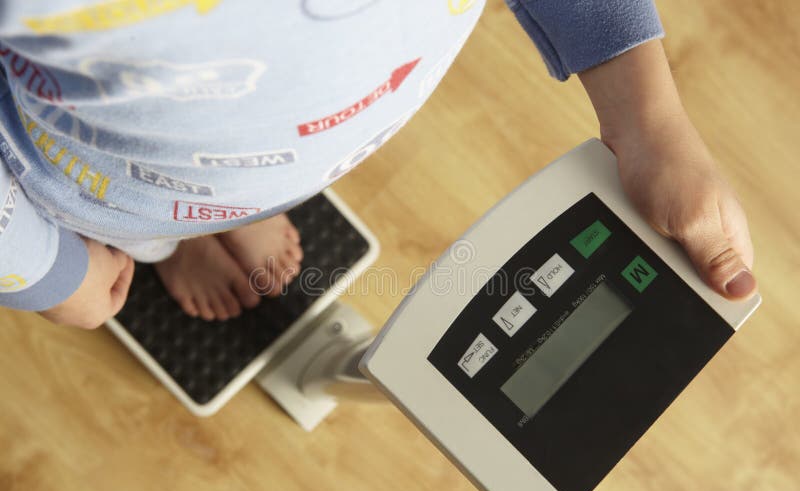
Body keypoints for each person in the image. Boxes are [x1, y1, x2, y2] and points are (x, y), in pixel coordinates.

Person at [0, 0, 757, 329]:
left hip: (311, 135)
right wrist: (42, 274)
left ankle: (236, 209)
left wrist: (650, 121)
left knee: (252, 170)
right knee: (151, 220)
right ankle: (171, 244)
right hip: (107, 174)